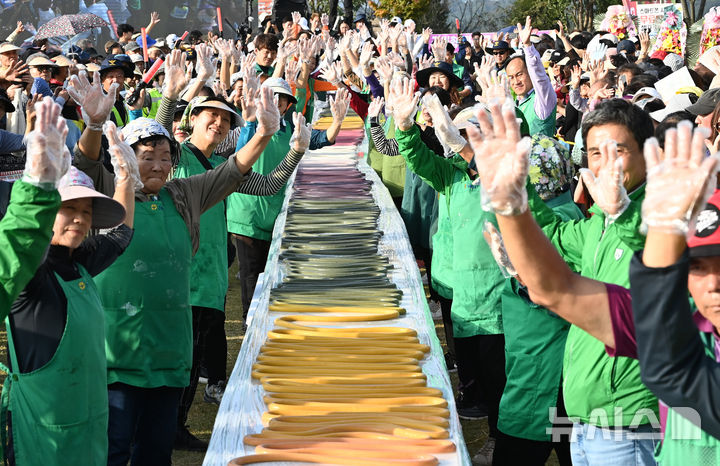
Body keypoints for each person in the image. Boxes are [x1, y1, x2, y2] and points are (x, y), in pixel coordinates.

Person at [470, 101, 720, 463]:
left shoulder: (668, 214)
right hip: (589, 417)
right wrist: (514, 202)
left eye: (619, 150)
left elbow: (659, 245)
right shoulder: (597, 224)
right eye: (595, 153)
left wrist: (625, 215)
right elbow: (556, 280)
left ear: (647, 155)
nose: (608, 163)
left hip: (630, 421)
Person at [71, 50, 286, 462]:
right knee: (113, 449)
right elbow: (86, 159)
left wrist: (262, 134)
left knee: (155, 450)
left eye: (166, 156)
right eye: (146, 155)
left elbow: (230, 173)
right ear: (126, 157)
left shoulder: (182, 195)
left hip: (169, 351)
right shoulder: (104, 195)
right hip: (115, 352)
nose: (158, 164)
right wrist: (96, 124)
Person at [172, 73, 312, 450]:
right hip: (180, 280)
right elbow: (162, 135)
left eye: (225, 120)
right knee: (178, 360)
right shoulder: (175, 157)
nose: (218, 124)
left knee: (193, 359)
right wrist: (172, 92)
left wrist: (297, 149)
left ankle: (176, 426)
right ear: (193, 118)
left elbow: (267, 184)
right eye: (210, 117)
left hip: (211, 277)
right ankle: (165, 427)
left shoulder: (220, 168)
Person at [3, 97, 134, 466]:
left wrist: (126, 178)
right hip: (43, 434)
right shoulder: (31, 275)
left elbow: (120, 236)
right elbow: (17, 249)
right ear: (46, 210)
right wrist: (35, 187)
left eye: (86, 211)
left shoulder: (78, 262)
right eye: (68, 208)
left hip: (88, 424)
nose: (79, 219)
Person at [226, 77, 350, 320]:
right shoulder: (252, 127)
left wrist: (337, 122)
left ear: (286, 104)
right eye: (271, 97)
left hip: (276, 212)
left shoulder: (290, 130)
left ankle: (267, 322)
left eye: (280, 99)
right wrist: (252, 119)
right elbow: (243, 150)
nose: (276, 103)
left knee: (273, 272)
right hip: (247, 214)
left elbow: (321, 139)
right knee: (251, 274)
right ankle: (249, 324)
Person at [506, 17, 557, 137]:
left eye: (519, 74)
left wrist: (527, 45)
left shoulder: (542, 99)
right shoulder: (516, 103)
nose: (516, 81)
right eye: (511, 77)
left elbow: (540, 78)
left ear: (529, 73)